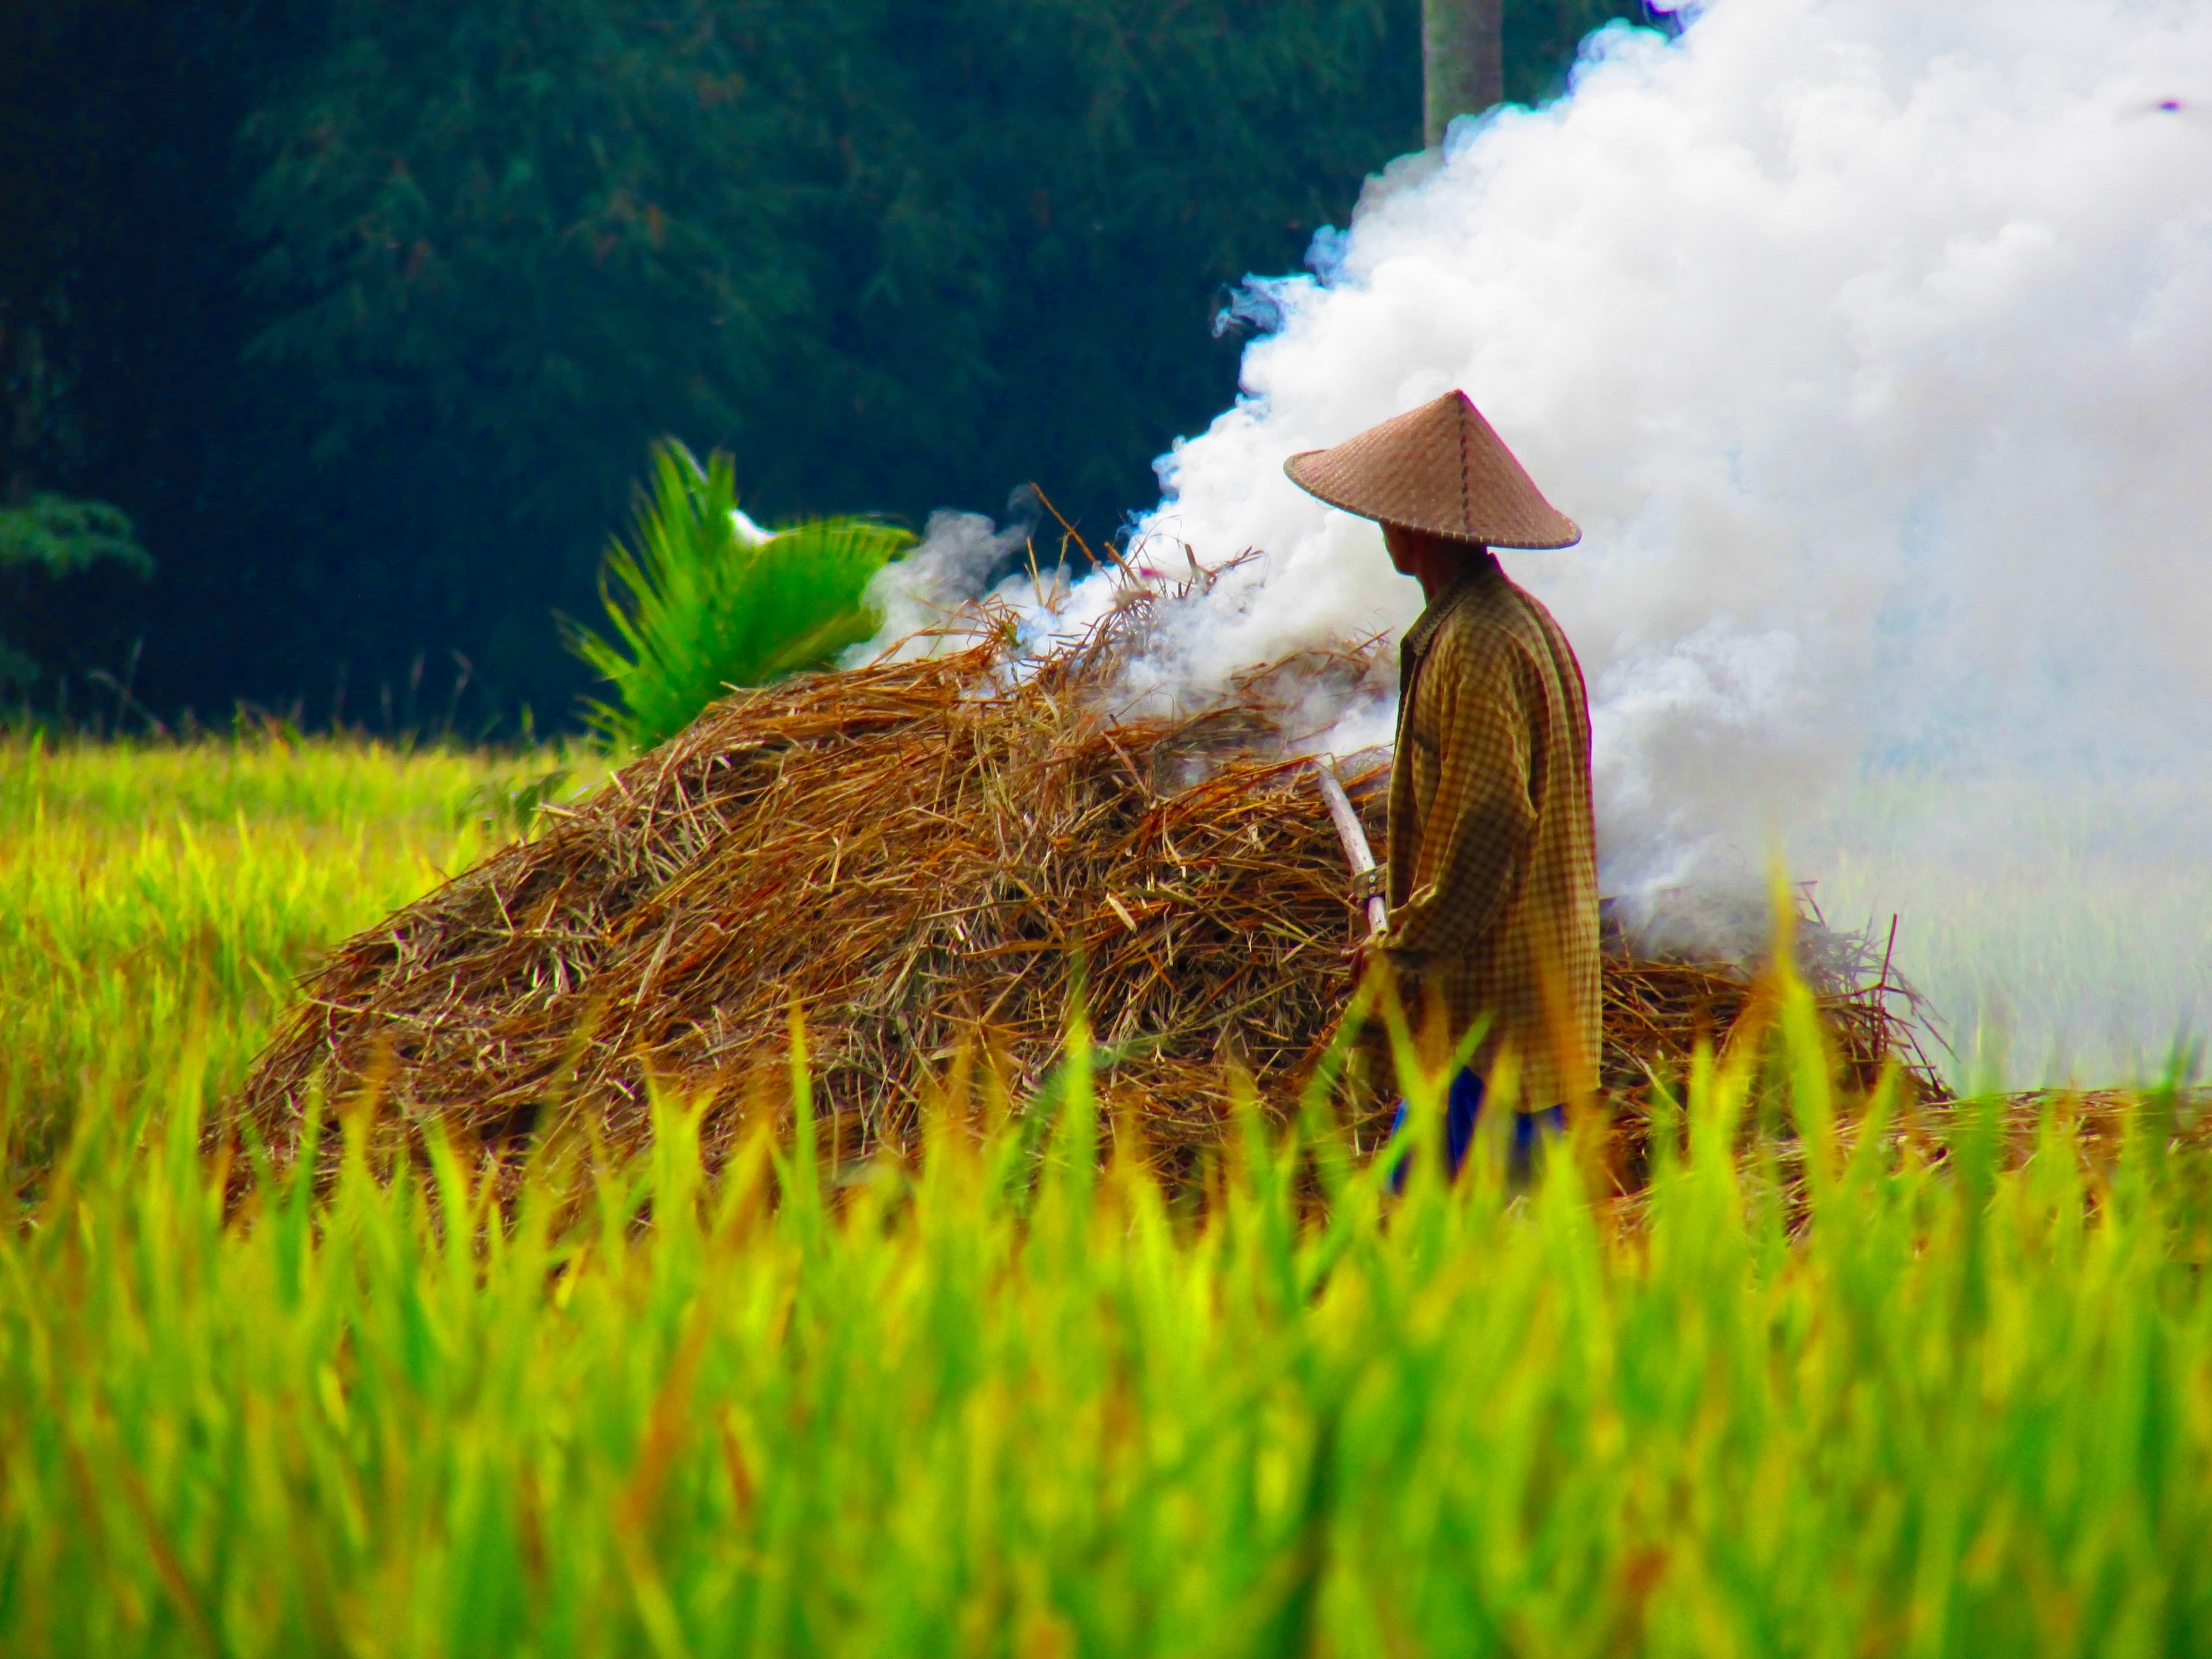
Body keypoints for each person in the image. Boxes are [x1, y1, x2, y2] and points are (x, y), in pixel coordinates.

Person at [1284, 390, 1600, 1184]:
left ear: (1418, 531)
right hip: (1501, 1027)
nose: (1384, 528)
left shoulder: (1479, 646)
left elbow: (1489, 823)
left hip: (1493, 1034)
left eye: (1391, 514)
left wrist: (1403, 946)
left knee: (1428, 1248)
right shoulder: (1498, 624)